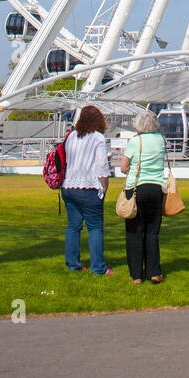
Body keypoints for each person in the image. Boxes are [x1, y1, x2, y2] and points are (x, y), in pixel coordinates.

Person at [61, 105, 113, 274]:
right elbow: (102, 165)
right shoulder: (97, 138)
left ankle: (72, 263)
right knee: (95, 227)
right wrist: (104, 186)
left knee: (73, 226)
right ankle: (98, 267)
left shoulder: (71, 137)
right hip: (89, 186)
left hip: (69, 185)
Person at [119, 111, 167, 284]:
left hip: (136, 188)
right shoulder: (161, 140)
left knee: (134, 231)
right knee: (152, 232)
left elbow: (124, 167)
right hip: (155, 187)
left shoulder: (135, 142)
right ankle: (154, 271)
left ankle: (136, 274)